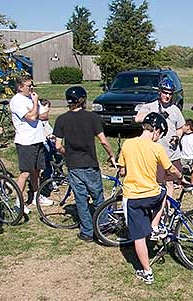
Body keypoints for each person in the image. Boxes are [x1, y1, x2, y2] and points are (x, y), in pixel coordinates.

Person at [118, 112, 182, 284]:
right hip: (153, 195)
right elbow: (170, 170)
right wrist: (180, 176)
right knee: (163, 194)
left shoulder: (127, 144)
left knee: (138, 237)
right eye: (160, 134)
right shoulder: (157, 148)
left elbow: (122, 170)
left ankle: (147, 272)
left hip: (133, 197)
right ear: (157, 130)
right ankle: (154, 225)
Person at [53, 86, 117, 242]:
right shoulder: (92, 118)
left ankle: (87, 232)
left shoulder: (61, 119)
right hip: (90, 164)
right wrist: (112, 155)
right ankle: (103, 226)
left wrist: (68, 154)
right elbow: (103, 141)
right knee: (97, 197)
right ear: (83, 100)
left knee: (81, 199)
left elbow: (57, 146)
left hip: (73, 165)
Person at [134, 78, 185, 198]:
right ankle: (156, 208)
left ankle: (168, 209)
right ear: (160, 92)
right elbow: (137, 118)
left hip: (171, 153)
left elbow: (180, 128)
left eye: (170, 94)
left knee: (170, 183)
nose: (167, 96)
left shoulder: (175, 110)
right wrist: (154, 115)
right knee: (156, 183)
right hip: (154, 153)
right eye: (165, 92)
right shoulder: (150, 106)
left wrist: (177, 137)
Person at [9, 75, 52, 213]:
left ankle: (36, 196)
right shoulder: (17, 101)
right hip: (25, 142)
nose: (31, 88)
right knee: (25, 173)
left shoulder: (32, 98)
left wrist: (35, 110)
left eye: (32, 85)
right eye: (28, 86)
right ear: (20, 87)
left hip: (38, 139)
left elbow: (45, 115)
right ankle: (18, 201)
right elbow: (32, 116)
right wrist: (35, 104)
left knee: (37, 171)